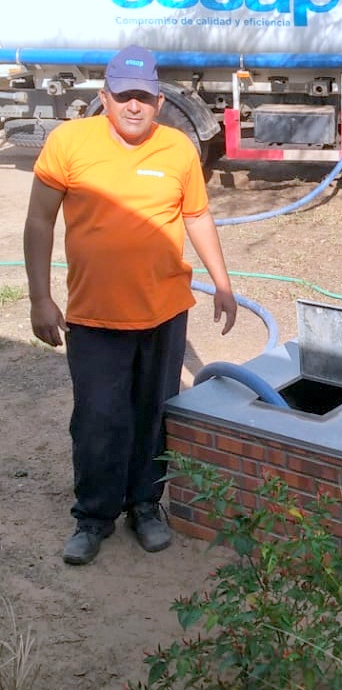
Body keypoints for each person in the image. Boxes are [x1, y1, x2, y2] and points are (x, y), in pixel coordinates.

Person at [23, 45, 237, 566]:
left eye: (144, 96)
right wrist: (39, 298)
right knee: (98, 419)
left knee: (155, 415)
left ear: (159, 100)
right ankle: (94, 517)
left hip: (164, 313)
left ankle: (145, 505)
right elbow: (39, 221)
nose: (134, 106)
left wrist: (223, 284)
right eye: (124, 96)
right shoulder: (68, 143)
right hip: (94, 316)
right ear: (105, 98)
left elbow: (197, 217)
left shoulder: (178, 150)